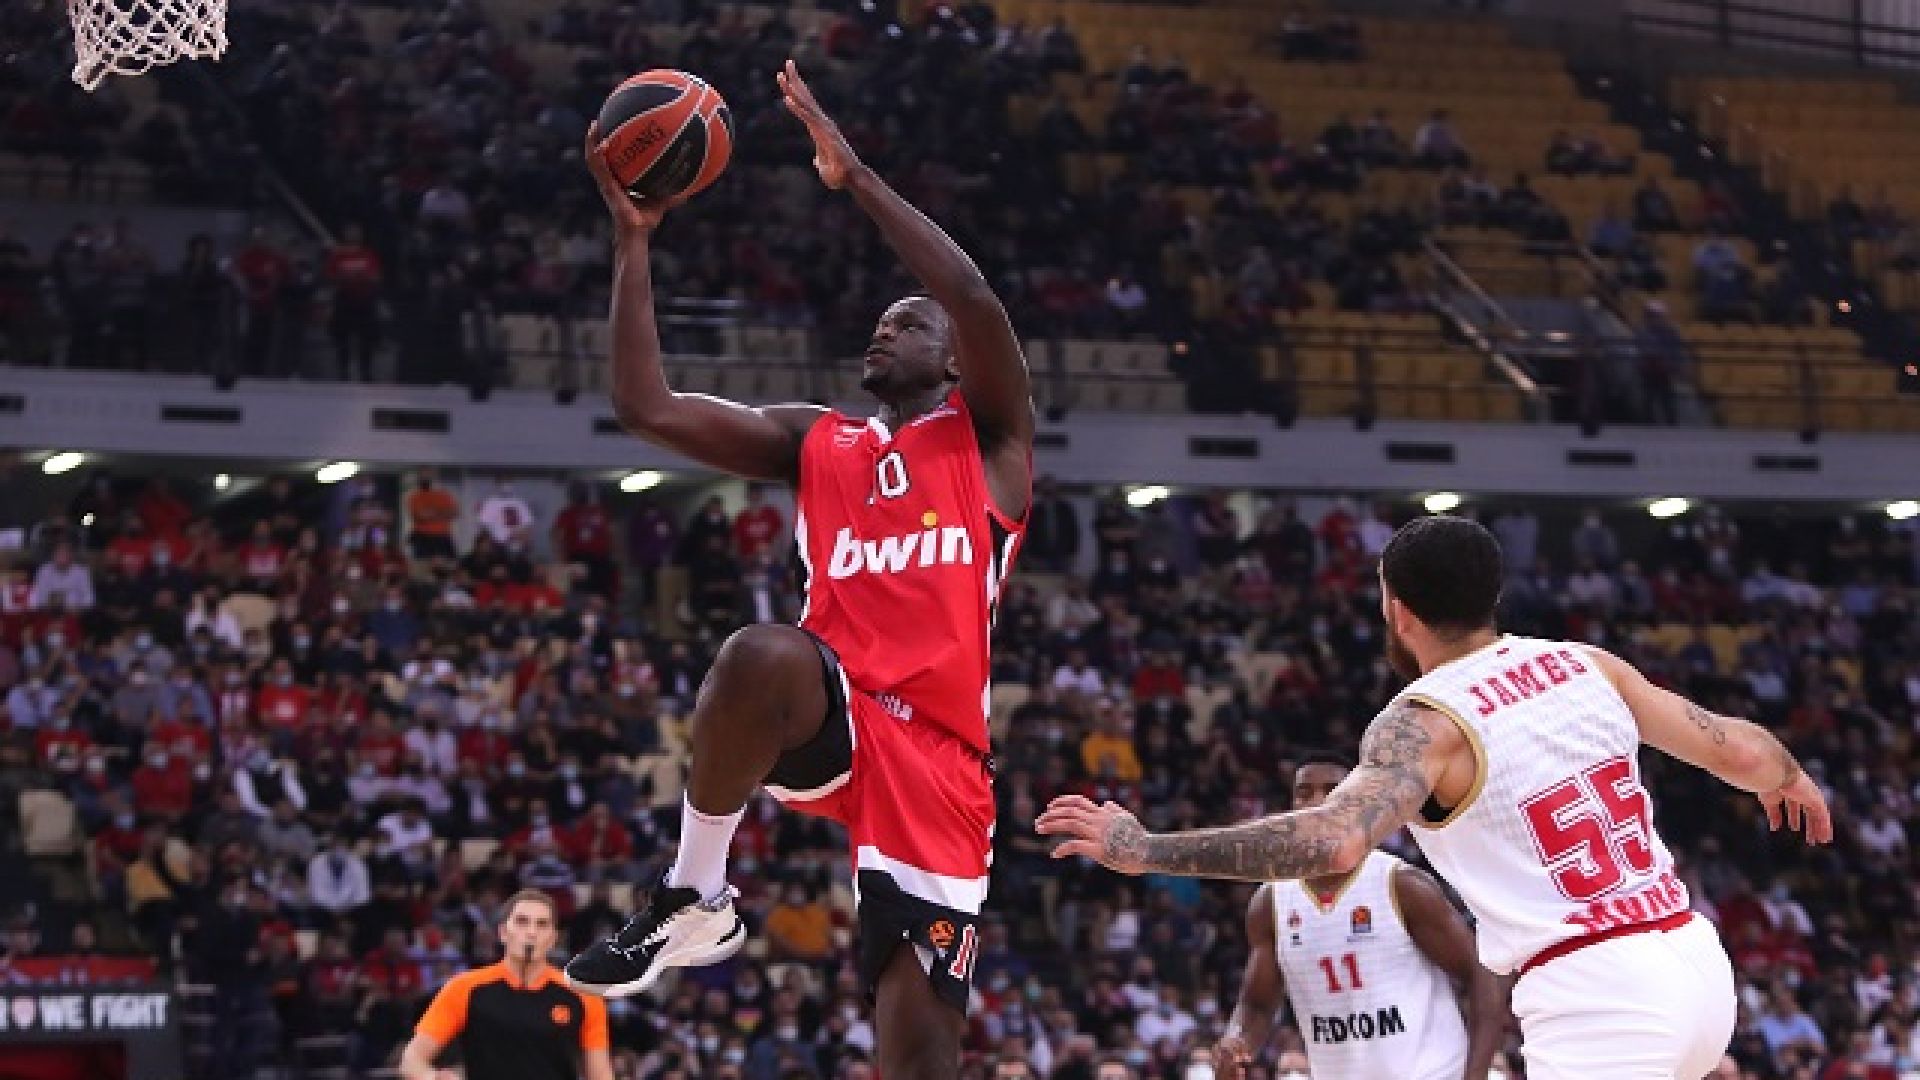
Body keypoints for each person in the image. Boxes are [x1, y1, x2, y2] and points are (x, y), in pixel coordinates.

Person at [563, 59, 1034, 1080]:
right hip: (837, 711)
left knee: (917, 1050)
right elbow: (646, 406)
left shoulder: (991, 442)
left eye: (910, 322)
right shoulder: (818, 441)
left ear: (956, 360)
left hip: (940, 756)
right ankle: (696, 895)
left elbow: (969, 291)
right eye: (883, 318)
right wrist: (633, 244)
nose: (887, 325)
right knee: (759, 653)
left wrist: (854, 176)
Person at [1037, 515, 1832, 1080]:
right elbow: (1740, 752)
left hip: (1597, 993)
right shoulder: (1587, 664)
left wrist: (1148, 849)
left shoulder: (1424, 722)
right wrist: (1789, 777)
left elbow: (1334, 841)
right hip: (1695, 960)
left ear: (1397, 610)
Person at [1213, 753, 1508, 1080]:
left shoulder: (1401, 884)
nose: (1318, 801)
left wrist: (1475, 1073)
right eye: (1304, 792)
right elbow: (1256, 1005)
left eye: (1332, 790)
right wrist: (1237, 1040)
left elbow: (1483, 973)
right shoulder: (1271, 902)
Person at [401, 889, 612, 1080]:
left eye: (542, 924)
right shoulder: (464, 988)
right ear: (503, 932)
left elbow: (600, 1075)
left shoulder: (584, 996)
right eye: (522, 922)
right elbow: (412, 1060)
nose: (531, 932)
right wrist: (432, 1077)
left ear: (553, 938)